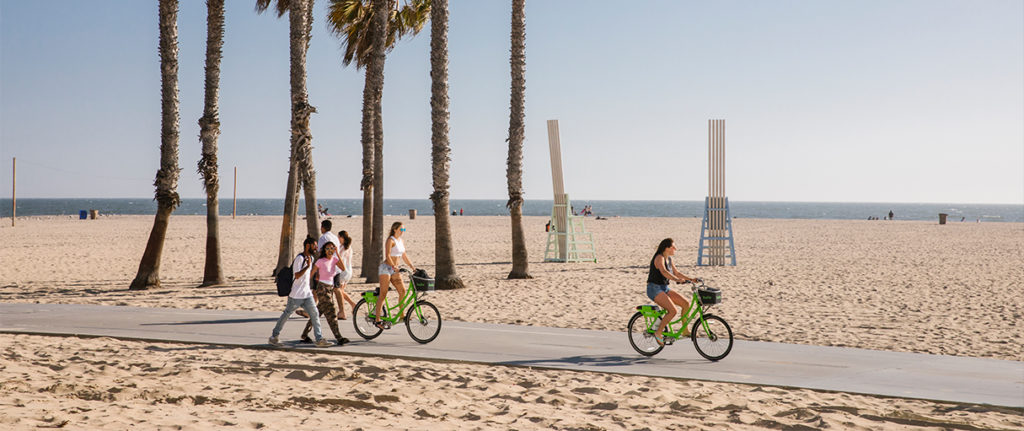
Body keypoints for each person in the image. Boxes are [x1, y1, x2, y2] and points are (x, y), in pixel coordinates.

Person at [269, 237, 332, 347]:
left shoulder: (311, 258)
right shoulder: (300, 258)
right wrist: (307, 266)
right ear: (308, 245)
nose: (316, 248)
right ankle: (274, 337)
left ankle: (319, 339)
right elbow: (297, 275)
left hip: (307, 294)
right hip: (296, 295)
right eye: (314, 245)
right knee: (287, 314)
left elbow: (308, 276)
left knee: (315, 314)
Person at [646, 238, 699, 346]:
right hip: (654, 289)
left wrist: (691, 279)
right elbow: (664, 272)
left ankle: (685, 331)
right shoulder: (659, 258)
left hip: (664, 288)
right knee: (672, 311)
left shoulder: (669, 259)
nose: (675, 248)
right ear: (667, 248)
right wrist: (676, 280)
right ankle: (658, 332)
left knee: (685, 303)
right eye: (673, 247)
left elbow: (677, 272)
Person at [300, 241, 350, 346]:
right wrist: (305, 285)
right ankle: (339, 337)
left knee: (317, 313)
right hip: (322, 289)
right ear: (324, 250)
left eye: (332, 248)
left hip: (330, 289)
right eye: (327, 249)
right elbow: (311, 273)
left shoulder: (335, 260)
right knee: (331, 311)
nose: (330, 251)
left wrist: (337, 253)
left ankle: (304, 334)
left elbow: (343, 268)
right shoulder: (321, 261)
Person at [374, 221, 417, 328]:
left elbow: (404, 255)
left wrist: (412, 267)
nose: (403, 232)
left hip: (395, 269)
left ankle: (402, 316)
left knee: (402, 291)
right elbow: (387, 255)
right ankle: (377, 319)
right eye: (401, 229)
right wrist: (393, 266)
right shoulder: (390, 240)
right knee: (383, 294)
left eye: (404, 230)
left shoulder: (400, 241)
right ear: (395, 229)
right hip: (386, 268)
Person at [297, 220, 341, 319]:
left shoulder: (323, 238)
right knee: (336, 289)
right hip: (336, 266)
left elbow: (320, 253)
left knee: (317, 289)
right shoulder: (335, 238)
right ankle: (342, 311)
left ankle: (310, 311)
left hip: (326, 267)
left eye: (321, 227)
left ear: (323, 227)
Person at [332, 230, 357, 320]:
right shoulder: (348, 247)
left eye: (339, 237)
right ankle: (350, 306)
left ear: (343, 238)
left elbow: (339, 260)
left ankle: (346, 309)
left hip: (343, 271)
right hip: (348, 270)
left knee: (338, 291)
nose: (338, 239)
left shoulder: (343, 248)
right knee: (341, 291)